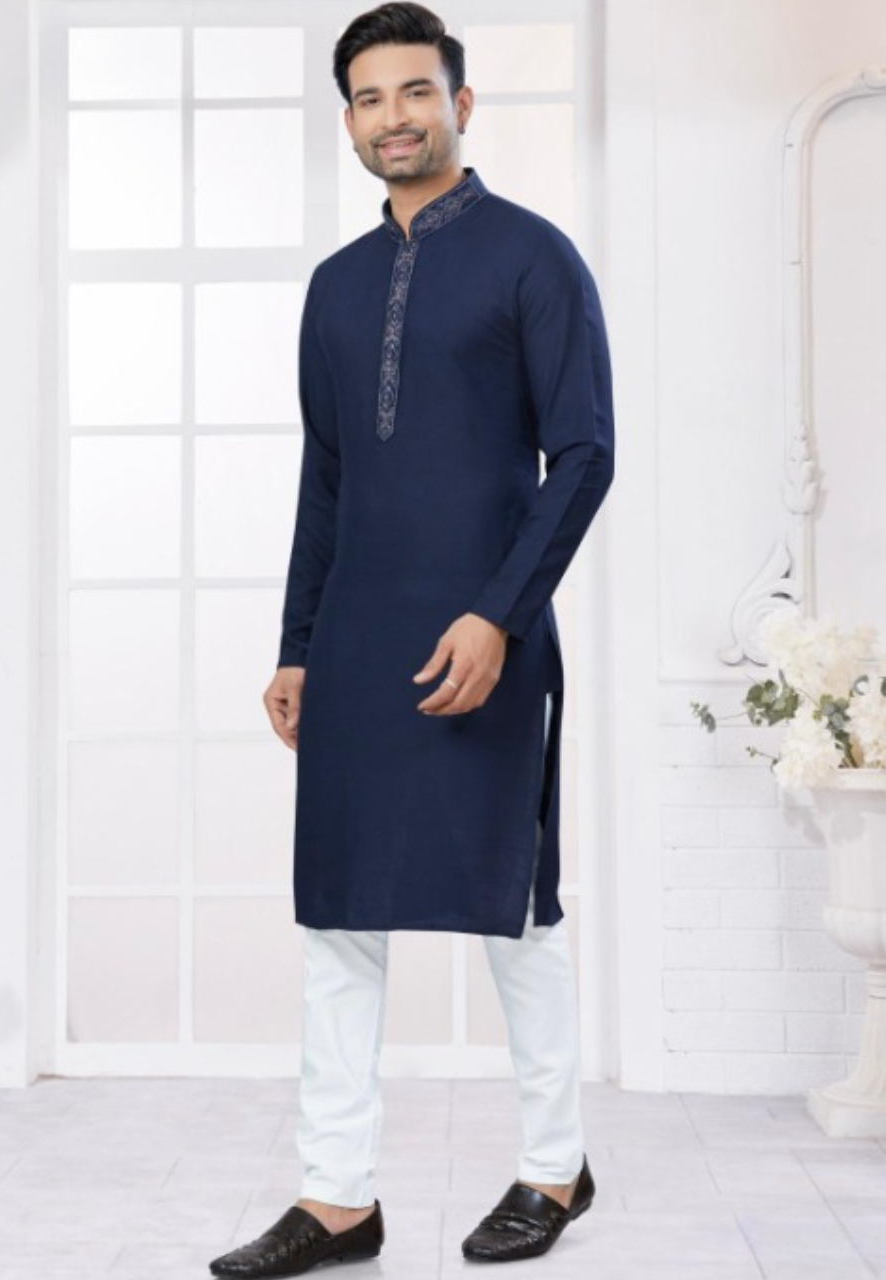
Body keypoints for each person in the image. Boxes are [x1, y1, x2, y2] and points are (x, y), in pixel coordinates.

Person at [209, 3, 613, 1274]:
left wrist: (498, 613)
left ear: (460, 104)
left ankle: (552, 1165)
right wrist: (296, 644)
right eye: (370, 97)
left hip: (488, 630)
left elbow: (582, 454)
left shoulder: (532, 258)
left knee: (512, 905)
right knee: (339, 917)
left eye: (416, 91)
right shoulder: (333, 286)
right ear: (349, 120)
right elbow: (325, 478)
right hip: (355, 639)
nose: (395, 116)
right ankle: (338, 1197)